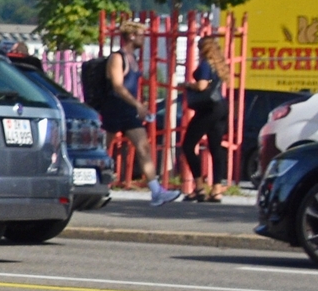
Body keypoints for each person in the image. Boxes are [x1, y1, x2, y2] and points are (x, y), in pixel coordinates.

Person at [86, 45, 176, 205]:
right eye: (140, 34)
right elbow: (118, 86)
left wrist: (138, 104)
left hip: (128, 110)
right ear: (132, 36)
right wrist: (138, 105)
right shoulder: (117, 57)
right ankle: (88, 183)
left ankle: (156, 191)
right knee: (101, 149)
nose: (143, 38)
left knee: (143, 147)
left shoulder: (133, 58)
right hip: (113, 107)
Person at [175, 35, 228, 201]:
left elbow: (202, 85)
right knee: (215, 147)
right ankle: (217, 190)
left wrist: (186, 85)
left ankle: (199, 187)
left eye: (199, 48)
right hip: (221, 107)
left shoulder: (205, 64)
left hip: (207, 109)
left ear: (203, 49)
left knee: (188, 145)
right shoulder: (218, 65)